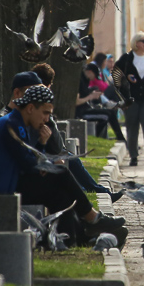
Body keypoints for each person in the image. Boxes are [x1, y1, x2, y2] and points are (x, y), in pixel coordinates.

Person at [0, 85, 127, 243]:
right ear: (31, 108)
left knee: (58, 194)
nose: (46, 119)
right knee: (61, 174)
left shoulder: (19, 123)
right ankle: (92, 218)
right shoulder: (12, 125)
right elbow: (27, 164)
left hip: (7, 182)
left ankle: (78, 237)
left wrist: (43, 150)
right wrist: (47, 163)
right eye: (45, 113)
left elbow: (29, 159)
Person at [21, 63, 124, 201]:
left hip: (50, 151)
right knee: (71, 161)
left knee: (72, 160)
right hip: (47, 152)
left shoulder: (37, 102)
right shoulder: (36, 103)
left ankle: (97, 192)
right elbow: (53, 143)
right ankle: (96, 195)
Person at [115, 31, 144, 166]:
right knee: (132, 127)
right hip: (131, 100)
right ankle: (133, 156)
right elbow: (117, 78)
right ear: (136, 43)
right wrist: (123, 97)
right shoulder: (126, 59)